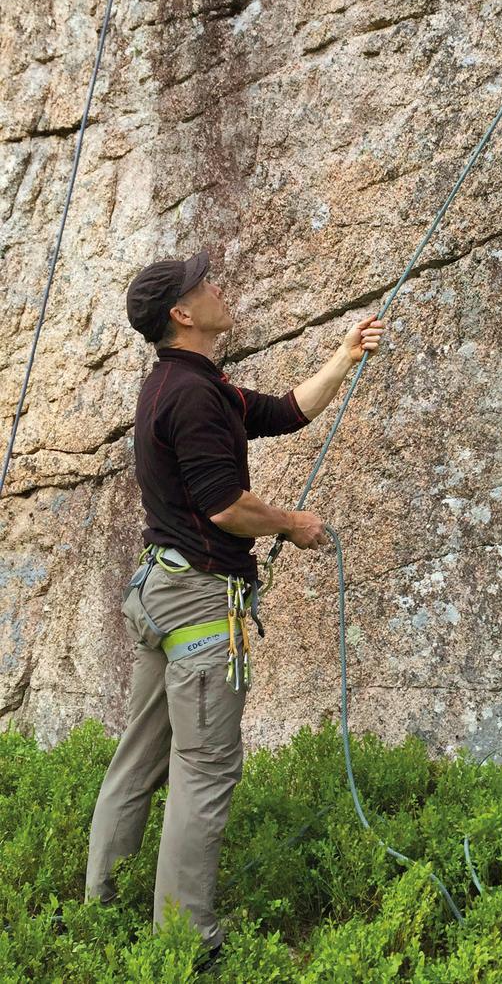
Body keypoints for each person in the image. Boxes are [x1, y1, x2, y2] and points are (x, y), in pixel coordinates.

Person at [85, 248, 384, 965]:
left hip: (161, 594)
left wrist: (342, 358)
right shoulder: (191, 397)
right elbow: (225, 507)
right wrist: (291, 522)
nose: (220, 288)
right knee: (205, 768)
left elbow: (282, 412)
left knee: (138, 759)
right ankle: (187, 946)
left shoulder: (185, 384)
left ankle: (102, 908)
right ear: (183, 313)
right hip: (196, 605)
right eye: (205, 283)